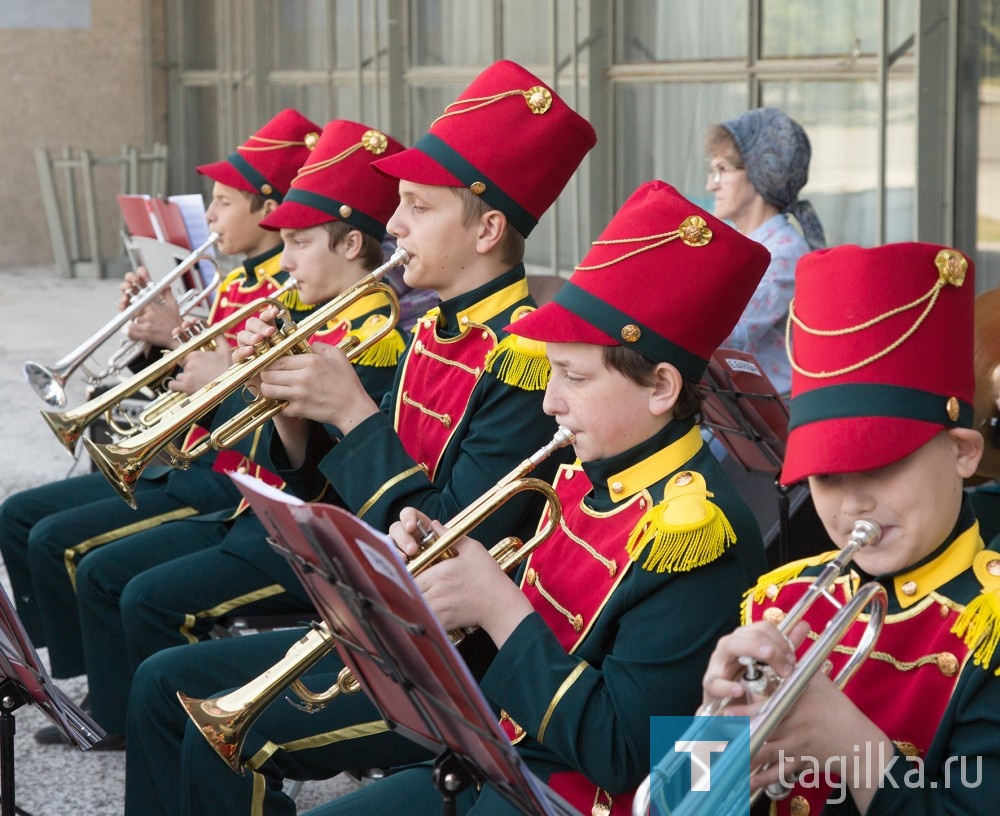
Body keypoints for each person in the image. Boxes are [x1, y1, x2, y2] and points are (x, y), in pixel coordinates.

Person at [123, 58, 596, 816]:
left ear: (486, 228)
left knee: (203, 715)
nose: (393, 225)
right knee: (158, 684)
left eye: (414, 206)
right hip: (374, 622)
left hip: (449, 666)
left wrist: (353, 415)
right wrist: (288, 416)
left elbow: (444, 540)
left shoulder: (523, 361)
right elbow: (326, 497)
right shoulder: (432, 332)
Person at [62, 119, 408, 750]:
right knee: (110, 572)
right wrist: (184, 363)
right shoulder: (297, 312)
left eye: (300, 243)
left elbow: (318, 475)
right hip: (251, 508)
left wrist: (223, 379)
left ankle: (154, 734)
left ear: (353, 244)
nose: (287, 260)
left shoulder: (374, 337)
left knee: (138, 594)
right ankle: (136, 727)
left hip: (292, 531)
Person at [0, 109, 322, 751]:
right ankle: (85, 680)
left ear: (268, 208)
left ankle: (117, 698)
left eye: (224, 200)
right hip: (207, 458)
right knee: (21, 518)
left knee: (83, 555)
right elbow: (186, 388)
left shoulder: (298, 301)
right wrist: (155, 343)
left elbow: (247, 414)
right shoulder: (238, 283)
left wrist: (184, 346)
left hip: (229, 480)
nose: (211, 212)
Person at [698, 242, 1000, 814]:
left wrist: (855, 751)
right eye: (827, 475)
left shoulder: (992, 628)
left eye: (882, 466)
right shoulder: (779, 598)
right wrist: (712, 724)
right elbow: (699, 792)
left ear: (962, 452)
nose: (854, 503)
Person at [704, 106, 825, 398]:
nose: (710, 185)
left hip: (762, 421)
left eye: (721, 170)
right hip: (727, 406)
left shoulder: (784, 253)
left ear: (760, 174)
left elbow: (730, 334)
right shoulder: (734, 240)